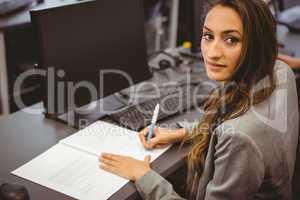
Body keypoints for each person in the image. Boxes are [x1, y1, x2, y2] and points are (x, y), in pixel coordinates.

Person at [99, 0, 299, 199]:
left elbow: (239, 133)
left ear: (257, 44)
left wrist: (143, 175)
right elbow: (233, 122)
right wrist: (183, 133)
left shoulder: (240, 138)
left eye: (231, 40)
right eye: (208, 36)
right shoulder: (280, 71)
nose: (212, 53)